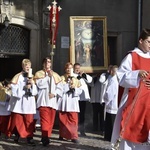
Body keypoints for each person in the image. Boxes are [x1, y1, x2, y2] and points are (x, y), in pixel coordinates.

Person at [111, 28, 150, 150]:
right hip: (134, 101)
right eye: (149, 42)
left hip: (148, 102)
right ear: (140, 41)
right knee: (130, 130)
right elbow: (121, 76)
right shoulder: (131, 56)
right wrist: (137, 74)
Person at [7, 59, 37, 146]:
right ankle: (17, 135)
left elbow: (35, 92)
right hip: (20, 103)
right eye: (26, 66)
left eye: (29, 66)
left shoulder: (33, 77)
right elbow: (14, 90)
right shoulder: (17, 77)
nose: (27, 67)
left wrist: (32, 86)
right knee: (18, 121)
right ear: (22, 66)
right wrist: (24, 88)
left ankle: (29, 137)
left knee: (29, 121)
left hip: (28, 103)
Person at [34, 57, 63, 146]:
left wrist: (54, 94)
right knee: (45, 121)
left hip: (52, 101)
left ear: (51, 64)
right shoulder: (39, 73)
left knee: (50, 121)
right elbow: (39, 84)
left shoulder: (56, 75)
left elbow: (60, 88)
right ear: (43, 64)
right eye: (46, 62)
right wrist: (47, 77)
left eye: (49, 62)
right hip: (43, 100)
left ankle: (47, 136)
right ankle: (45, 137)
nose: (47, 63)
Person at [58, 62, 82, 143]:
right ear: (65, 69)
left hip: (72, 101)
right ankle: (62, 134)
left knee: (73, 119)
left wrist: (74, 88)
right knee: (63, 119)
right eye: (67, 68)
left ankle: (73, 136)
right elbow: (59, 90)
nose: (69, 70)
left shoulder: (76, 79)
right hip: (64, 101)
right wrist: (68, 86)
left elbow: (80, 90)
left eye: (71, 68)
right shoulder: (61, 78)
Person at [73, 63, 92, 136]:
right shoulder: (73, 75)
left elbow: (90, 80)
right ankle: (74, 130)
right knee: (75, 114)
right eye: (76, 68)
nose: (77, 69)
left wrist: (84, 75)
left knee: (82, 115)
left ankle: (82, 130)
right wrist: (78, 77)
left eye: (78, 68)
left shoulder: (83, 75)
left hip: (83, 98)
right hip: (76, 98)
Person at [103, 65, 119, 141]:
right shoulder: (111, 78)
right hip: (112, 103)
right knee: (109, 121)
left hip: (112, 103)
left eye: (112, 71)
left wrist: (105, 99)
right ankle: (108, 136)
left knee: (111, 121)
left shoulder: (114, 80)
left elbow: (110, 93)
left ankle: (110, 137)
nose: (110, 72)